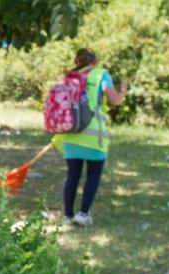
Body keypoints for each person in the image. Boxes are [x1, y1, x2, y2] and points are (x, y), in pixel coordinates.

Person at [52, 48, 127, 227]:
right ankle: (83, 213)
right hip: (94, 135)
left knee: (72, 175)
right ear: (95, 61)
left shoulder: (69, 76)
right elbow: (115, 100)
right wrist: (123, 91)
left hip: (71, 133)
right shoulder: (101, 75)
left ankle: (68, 216)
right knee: (93, 174)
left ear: (76, 60)